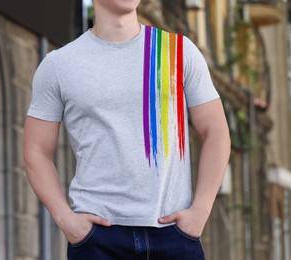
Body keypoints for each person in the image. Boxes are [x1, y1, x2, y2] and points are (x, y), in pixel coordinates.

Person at [23, 0, 230, 259]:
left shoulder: (178, 51)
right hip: (98, 240)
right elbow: (36, 151)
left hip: (173, 235)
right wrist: (66, 219)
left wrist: (200, 210)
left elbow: (216, 131)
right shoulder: (58, 65)